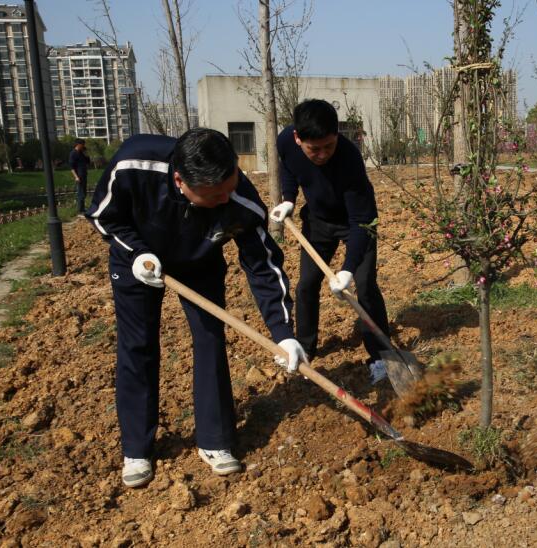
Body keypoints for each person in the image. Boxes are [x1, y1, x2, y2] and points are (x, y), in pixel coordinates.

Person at [85, 128, 306, 488]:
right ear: (180, 181)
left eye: (229, 187)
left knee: (209, 339)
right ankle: (137, 449)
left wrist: (284, 333)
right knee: (137, 345)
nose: (225, 198)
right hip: (138, 260)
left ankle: (215, 440)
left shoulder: (239, 199)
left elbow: (263, 266)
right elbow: (102, 214)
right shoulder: (133, 164)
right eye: (215, 195)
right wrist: (137, 252)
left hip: (200, 261)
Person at [269, 99, 390, 384]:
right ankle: (305, 347)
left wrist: (347, 269)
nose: (323, 154)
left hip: (356, 223)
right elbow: (289, 168)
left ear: (337, 135)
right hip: (318, 222)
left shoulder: (349, 159)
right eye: (314, 149)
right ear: (298, 138)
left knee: (365, 285)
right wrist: (289, 199)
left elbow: (360, 221)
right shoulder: (286, 141)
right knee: (306, 285)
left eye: (329, 146)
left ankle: (381, 357)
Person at [69, 138, 91, 213]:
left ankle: (82, 208)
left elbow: (88, 162)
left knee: (84, 193)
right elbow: (71, 167)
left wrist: (86, 154)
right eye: (83, 144)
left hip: (84, 175)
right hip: (79, 176)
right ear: (78, 145)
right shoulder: (73, 154)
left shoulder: (81, 153)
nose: (84, 146)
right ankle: (80, 210)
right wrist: (76, 177)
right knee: (80, 193)